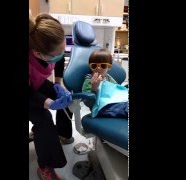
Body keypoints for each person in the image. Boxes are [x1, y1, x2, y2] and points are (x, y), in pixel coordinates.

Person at [29, 13, 74, 180]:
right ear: (37, 54)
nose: (60, 55)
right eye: (55, 54)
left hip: (36, 84)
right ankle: (45, 166)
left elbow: (60, 59)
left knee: (67, 98)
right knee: (44, 119)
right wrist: (49, 103)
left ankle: (62, 133)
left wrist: (57, 84)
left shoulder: (52, 47)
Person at [82, 49, 128, 118]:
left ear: (109, 67)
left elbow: (116, 90)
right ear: (90, 66)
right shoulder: (89, 81)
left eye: (103, 65)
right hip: (101, 108)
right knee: (124, 108)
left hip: (113, 102)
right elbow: (88, 103)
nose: (98, 68)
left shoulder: (108, 78)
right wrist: (94, 89)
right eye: (94, 66)